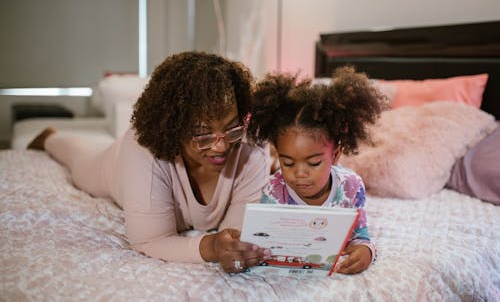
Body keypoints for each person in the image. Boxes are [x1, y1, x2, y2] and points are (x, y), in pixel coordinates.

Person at [27, 51, 271, 273]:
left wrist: (230, 247)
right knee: (80, 162)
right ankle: (51, 137)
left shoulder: (253, 148)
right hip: (115, 169)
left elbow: (234, 237)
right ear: (173, 127)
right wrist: (210, 247)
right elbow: (150, 240)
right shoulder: (144, 149)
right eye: (203, 134)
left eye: (232, 129)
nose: (222, 146)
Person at [246, 66, 387, 274]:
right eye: (288, 163)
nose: (300, 173)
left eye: (313, 163)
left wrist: (366, 251)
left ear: (336, 154)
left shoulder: (351, 187)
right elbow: (264, 243)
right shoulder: (274, 192)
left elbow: (360, 235)